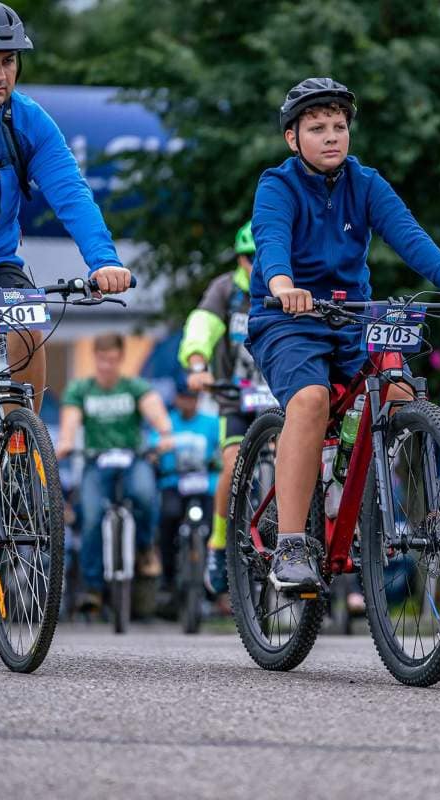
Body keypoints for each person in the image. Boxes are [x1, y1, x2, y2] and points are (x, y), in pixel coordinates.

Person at [248, 77, 440, 592]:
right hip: (289, 317)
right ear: (292, 138)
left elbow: (410, 237)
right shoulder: (277, 185)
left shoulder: (366, 183)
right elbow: (270, 238)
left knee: (401, 391)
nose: (331, 137)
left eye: (339, 126)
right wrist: (283, 285)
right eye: (316, 128)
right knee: (310, 399)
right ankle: (293, 543)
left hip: (354, 316)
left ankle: (367, 494)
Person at [0, 0, 131, 525]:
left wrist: (104, 261)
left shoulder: (27, 121)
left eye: (8, 61)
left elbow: (72, 194)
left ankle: (12, 459)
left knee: (30, 325)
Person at [56, 333, 175, 609]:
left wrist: (165, 432)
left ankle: (145, 549)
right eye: (101, 359)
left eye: (112, 360)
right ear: (94, 358)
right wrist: (65, 441)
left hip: (133, 458)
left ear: (121, 358)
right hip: (95, 462)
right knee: (91, 515)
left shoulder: (133, 387)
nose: (107, 365)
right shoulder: (81, 389)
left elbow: (154, 409)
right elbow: (71, 419)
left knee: (145, 494)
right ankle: (93, 587)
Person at [180, 221, 268, 595]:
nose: (255, 264)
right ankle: (218, 543)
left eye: (261, 256)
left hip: (281, 397)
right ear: (239, 258)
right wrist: (198, 364)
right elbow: (201, 325)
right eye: (249, 257)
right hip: (236, 398)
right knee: (233, 466)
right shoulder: (226, 290)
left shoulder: (288, 287)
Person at [148, 377, 219, 599]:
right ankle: (167, 577)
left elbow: (224, 447)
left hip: (206, 485)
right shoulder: (167, 423)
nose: (188, 402)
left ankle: (214, 577)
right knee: (168, 518)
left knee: (214, 525)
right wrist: (156, 452)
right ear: (177, 399)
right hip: (174, 483)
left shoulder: (212, 423)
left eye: (193, 398)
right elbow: (152, 447)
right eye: (184, 398)